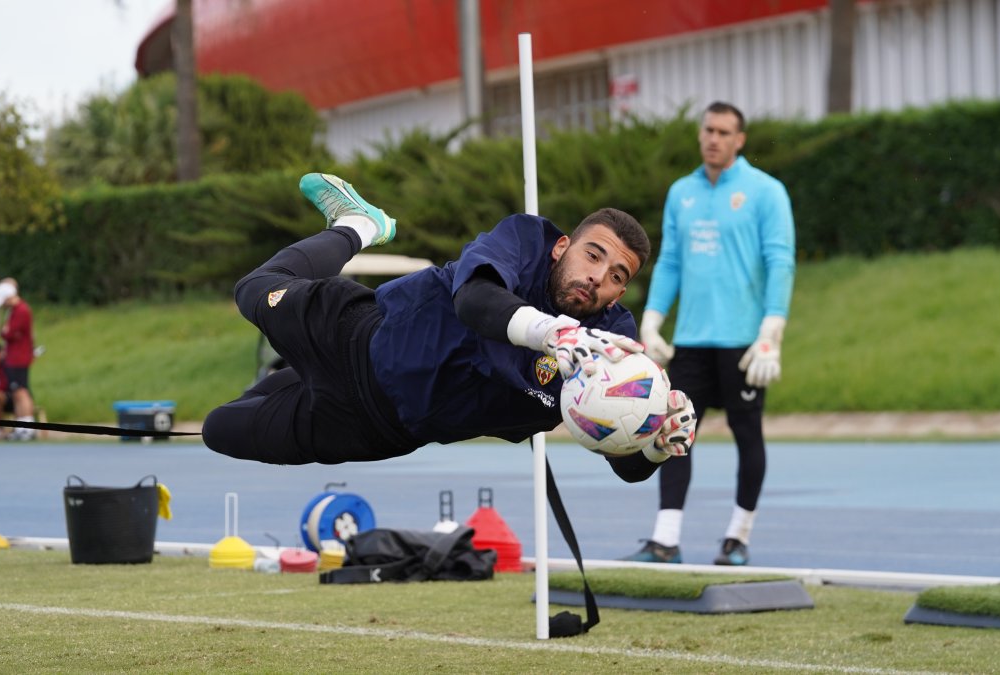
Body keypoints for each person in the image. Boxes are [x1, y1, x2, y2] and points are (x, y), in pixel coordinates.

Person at [203, 173, 698, 477]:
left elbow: (619, 449)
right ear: (562, 246)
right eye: (593, 255)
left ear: (622, 293)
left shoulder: (616, 350)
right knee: (255, 288)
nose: (597, 277)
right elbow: (476, 301)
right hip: (353, 336)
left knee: (218, 428)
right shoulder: (526, 241)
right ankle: (359, 224)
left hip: (381, 428)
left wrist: (657, 444)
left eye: (616, 276)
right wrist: (553, 332)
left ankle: (293, 383)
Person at [622, 102, 796, 567]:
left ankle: (737, 537)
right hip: (693, 341)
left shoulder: (766, 191)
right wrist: (654, 318)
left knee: (747, 433)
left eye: (723, 132)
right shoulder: (682, 192)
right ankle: (665, 540)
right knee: (673, 431)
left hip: (742, 342)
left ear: (740, 140)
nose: (713, 138)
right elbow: (672, 261)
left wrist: (771, 331)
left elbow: (781, 261)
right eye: (707, 130)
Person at [0, 278, 37, 441]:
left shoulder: (21, 310)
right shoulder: (14, 310)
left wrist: (5, 331)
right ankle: (21, 426)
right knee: (17, 393)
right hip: (13, 357)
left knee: (21, 392)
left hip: (19, 357)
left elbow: (8, 333)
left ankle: (28, 427)